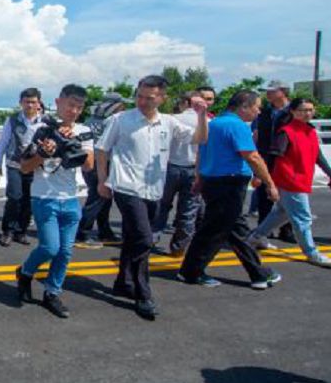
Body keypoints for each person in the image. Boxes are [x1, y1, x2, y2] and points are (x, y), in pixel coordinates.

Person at [95, 75, 207, 319]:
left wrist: (201, 116)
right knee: (145, 239)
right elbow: (102, 149)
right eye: (140, 96)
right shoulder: (120, 120)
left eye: (150, 97)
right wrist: (103, 180)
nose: (143, 101)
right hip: (126, 188)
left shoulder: (168, 122)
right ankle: (143, 294)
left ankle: (123, 282)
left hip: (154, 190)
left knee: (133, 238)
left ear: (162, 98)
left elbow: (199, 139)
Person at [177, 90, 282, 289]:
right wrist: (270, 183)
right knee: (214, 231)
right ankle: (191, 271)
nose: (258, 112)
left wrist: (199, 179)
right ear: (244, 106)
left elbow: (202, 153)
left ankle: (258, 273)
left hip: (213, 182)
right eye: (256, 107)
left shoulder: (213, 123)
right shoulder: (237, 125)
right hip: (229, 185)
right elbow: (252, 156)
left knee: (236, 231)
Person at [15, 84, 94, 318]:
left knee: (65, 251)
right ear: (58, 102)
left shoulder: (84, 130)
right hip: (44, 197)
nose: (74, 110)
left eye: (79, 107)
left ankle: (52, 292)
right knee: (50, 247)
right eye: (70, 105)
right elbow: (24, 167)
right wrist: (43, 153)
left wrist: (74, 143)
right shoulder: (40, 129)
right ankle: (26, 272)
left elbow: (89, 165)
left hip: (70, 199)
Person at [246, 97, 331, 266]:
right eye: (303, 110)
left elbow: (318, 156)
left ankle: (255, 238)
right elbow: (273, 157)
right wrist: (262, 177)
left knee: (281, 213)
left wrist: (329, 172)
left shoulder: (311, 131)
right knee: (303, 218)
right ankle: (311, 252)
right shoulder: (286, 132)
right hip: (289, 180)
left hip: (302, 178)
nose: (307, 113)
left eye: (310, 110)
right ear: (292, 112)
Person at [150, 91, 204, 257]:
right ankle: (179, 246)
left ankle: (152, 237)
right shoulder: (207, 122)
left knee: (162, 205)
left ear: (184, 103)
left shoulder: (172, 119)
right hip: (194, 167)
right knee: (188, 209)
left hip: (170, 166)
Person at [0, 88, 43, 246]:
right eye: (27, 102)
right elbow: (3, 142)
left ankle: (21, 231)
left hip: (35, 166)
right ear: (21, 103)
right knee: (14, 197)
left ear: (38, 103)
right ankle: (7, 231)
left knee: (29, 200)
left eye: (33, 102)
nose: (30, 105)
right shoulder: (12, 120)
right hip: (14, 164)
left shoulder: (45, 121)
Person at [76, 93, 124, 245]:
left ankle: (105, 231)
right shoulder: (112, 121)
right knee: (98, 198)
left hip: (89, 162)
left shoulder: (90, 120)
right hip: (102, 163)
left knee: (104, 199)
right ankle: (82, 232)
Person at [253, 81, 294, 242]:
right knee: (264, 195)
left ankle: (287, 230)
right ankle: (264, 229)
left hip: (286, 158)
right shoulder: (264, 112)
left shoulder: (293, 111)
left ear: (283, 92)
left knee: (288, 196)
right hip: (266, 157)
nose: (268, 94)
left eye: (272, 91)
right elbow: (257, 135)